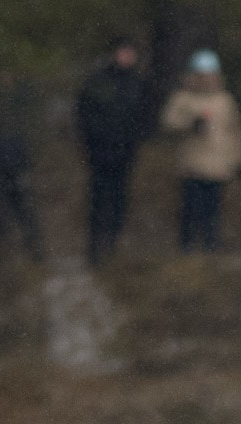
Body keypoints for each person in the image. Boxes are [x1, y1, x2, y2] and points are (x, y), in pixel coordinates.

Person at [159, 51, 241, 254]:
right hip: (192, 164)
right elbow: (168, 123)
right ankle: (187, 246)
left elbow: (234, 131)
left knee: (213, 209)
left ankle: (210, 245)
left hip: (217, 164)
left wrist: (237, 159)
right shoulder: (183, 97)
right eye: (202, 74)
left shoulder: (225, 100)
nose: (207, 79)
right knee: (190, 208)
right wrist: (190, 124)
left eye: (210, 74)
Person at [77, 39, 153, 264]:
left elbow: (144, 117)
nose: (126, 57)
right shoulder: (98, 82)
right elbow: (85, 115)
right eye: (123, 52)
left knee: (120, 201)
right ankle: (94, 249)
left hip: (125, 154)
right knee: (99, 201)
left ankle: (112, 246)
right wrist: (95, 142)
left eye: (130, 53)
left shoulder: (138, 83)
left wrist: (133, 140)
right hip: (100, 154)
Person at [0, 82, 45, 262]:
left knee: (25, 214)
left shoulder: (19, 110)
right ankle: (3, 257)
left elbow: (26, 143)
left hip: (16, 171)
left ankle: (34, 254)